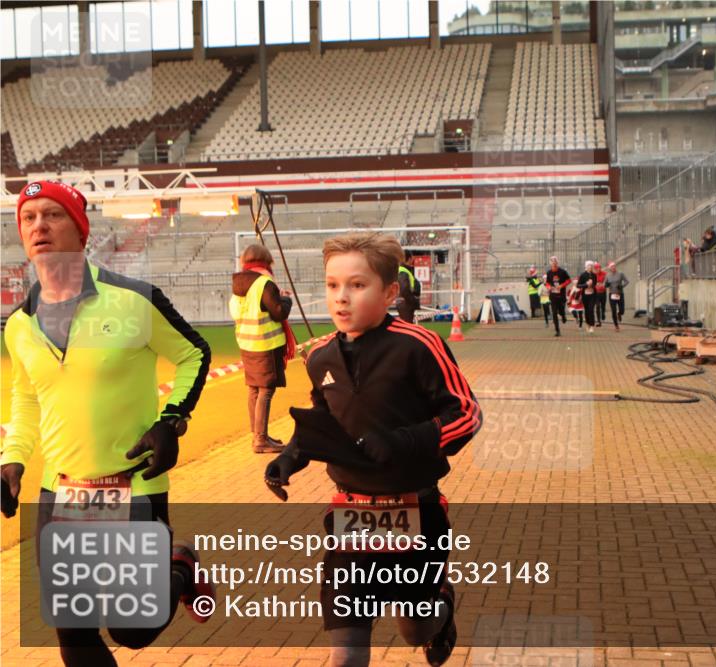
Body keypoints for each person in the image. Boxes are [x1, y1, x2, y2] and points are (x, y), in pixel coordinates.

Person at [0, 181, 215, 667]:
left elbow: (193, 353)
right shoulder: (19, 324)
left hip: (133, 486)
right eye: (28, 217)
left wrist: (171, 420)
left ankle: (178, 565)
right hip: (60, 495)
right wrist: (13, 459)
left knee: (131, 628)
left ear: (80, 230)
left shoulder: (135, 299)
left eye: (52, 214)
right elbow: (27, 396)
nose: (38, 225)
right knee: (73, 636)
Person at [263, 232, 481, 667]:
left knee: (413, 630)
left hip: (416, 515)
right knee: (346, 657)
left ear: (390, 292)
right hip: (350, 520)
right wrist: (291, 455)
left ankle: (440, 606)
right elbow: (324, 422)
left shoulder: (420, 345)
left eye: (357, 285)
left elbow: (467, 413)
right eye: (332, 285)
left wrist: (402, 442)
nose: (341, 298)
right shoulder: (319, 356)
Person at [230, 243, 296, 454]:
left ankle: (259, 435)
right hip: (265, 345)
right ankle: (260, 439)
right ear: (266, 261)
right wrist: (286, 299)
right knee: (266, 390)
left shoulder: (238, 284)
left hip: (247, 344)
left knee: (254, 389)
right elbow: (278, 312)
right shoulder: (264, 283)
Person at [544, 256, 571, 338]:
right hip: (553, 296)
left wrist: (561, 286)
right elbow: (547, 283)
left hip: (561, 295)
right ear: (550, 263)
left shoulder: (562, 271)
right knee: (554, 313)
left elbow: (569, 280)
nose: (554, 263)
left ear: (557, 263)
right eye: (552, 262)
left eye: (555, 262)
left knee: (561, 310)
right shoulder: (548, 273)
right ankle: (557, 330)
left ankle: (563, 316)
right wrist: (549, 287)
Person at [396, 250, 421, 323]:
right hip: (406, 304)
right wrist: (412, 301)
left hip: (405, 303)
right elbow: (404, 289)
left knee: (406, 327)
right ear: (409, 259)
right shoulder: (404, 271)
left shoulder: (403, 270)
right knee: (407, 328)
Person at [604, 261, 629, 332]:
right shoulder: (608, 275)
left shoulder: (620, 274)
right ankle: (616, 326)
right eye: (612, 267)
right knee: (613, 311)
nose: (613, 267)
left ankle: (619, 314)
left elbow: (627, 281)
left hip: (620, 293)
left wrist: (622, 286)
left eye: (614, 266)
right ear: (609, 268)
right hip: (612, 294)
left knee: (622, 310)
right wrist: (606, 285)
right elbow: (605, 284)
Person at [576, 260, 598, 334]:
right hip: (585, 296)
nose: (590, 267)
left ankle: (592, 325)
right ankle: (588, 324)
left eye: (591, 266)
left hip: (592, 295)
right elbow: (578, 285)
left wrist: (591, 284)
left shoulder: (594, 275)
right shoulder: (582, 275)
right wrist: (586, 284)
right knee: (586, 310)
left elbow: (595, 284)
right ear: (586, 267)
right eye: (589, 266)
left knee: (591, 309)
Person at [593, 262, 607, 326]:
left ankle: (603, 313)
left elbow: (607, 280)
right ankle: (599, 321)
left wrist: (604, 284)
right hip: (596, 293)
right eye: (596, 268)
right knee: (597, 306)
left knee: (603, 306)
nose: (598, 269)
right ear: (595, 269)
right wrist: (596, 284)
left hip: (603, 292)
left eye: (599, 268)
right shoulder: (593, 275)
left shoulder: (604, 274)